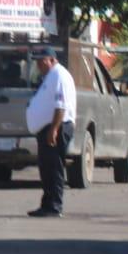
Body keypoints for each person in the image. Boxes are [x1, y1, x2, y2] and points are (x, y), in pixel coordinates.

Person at [25, 46, 76, 219]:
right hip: (49, 127)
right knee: (46, 168)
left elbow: (61, 106)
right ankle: (47, 205)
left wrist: (54, 129)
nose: (39, 65)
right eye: (37, 62)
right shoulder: (50, 76)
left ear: (52, 60)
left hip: (57, 127)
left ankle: (54, 206)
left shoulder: (58, 75)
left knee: (53, 168)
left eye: (42, 61)